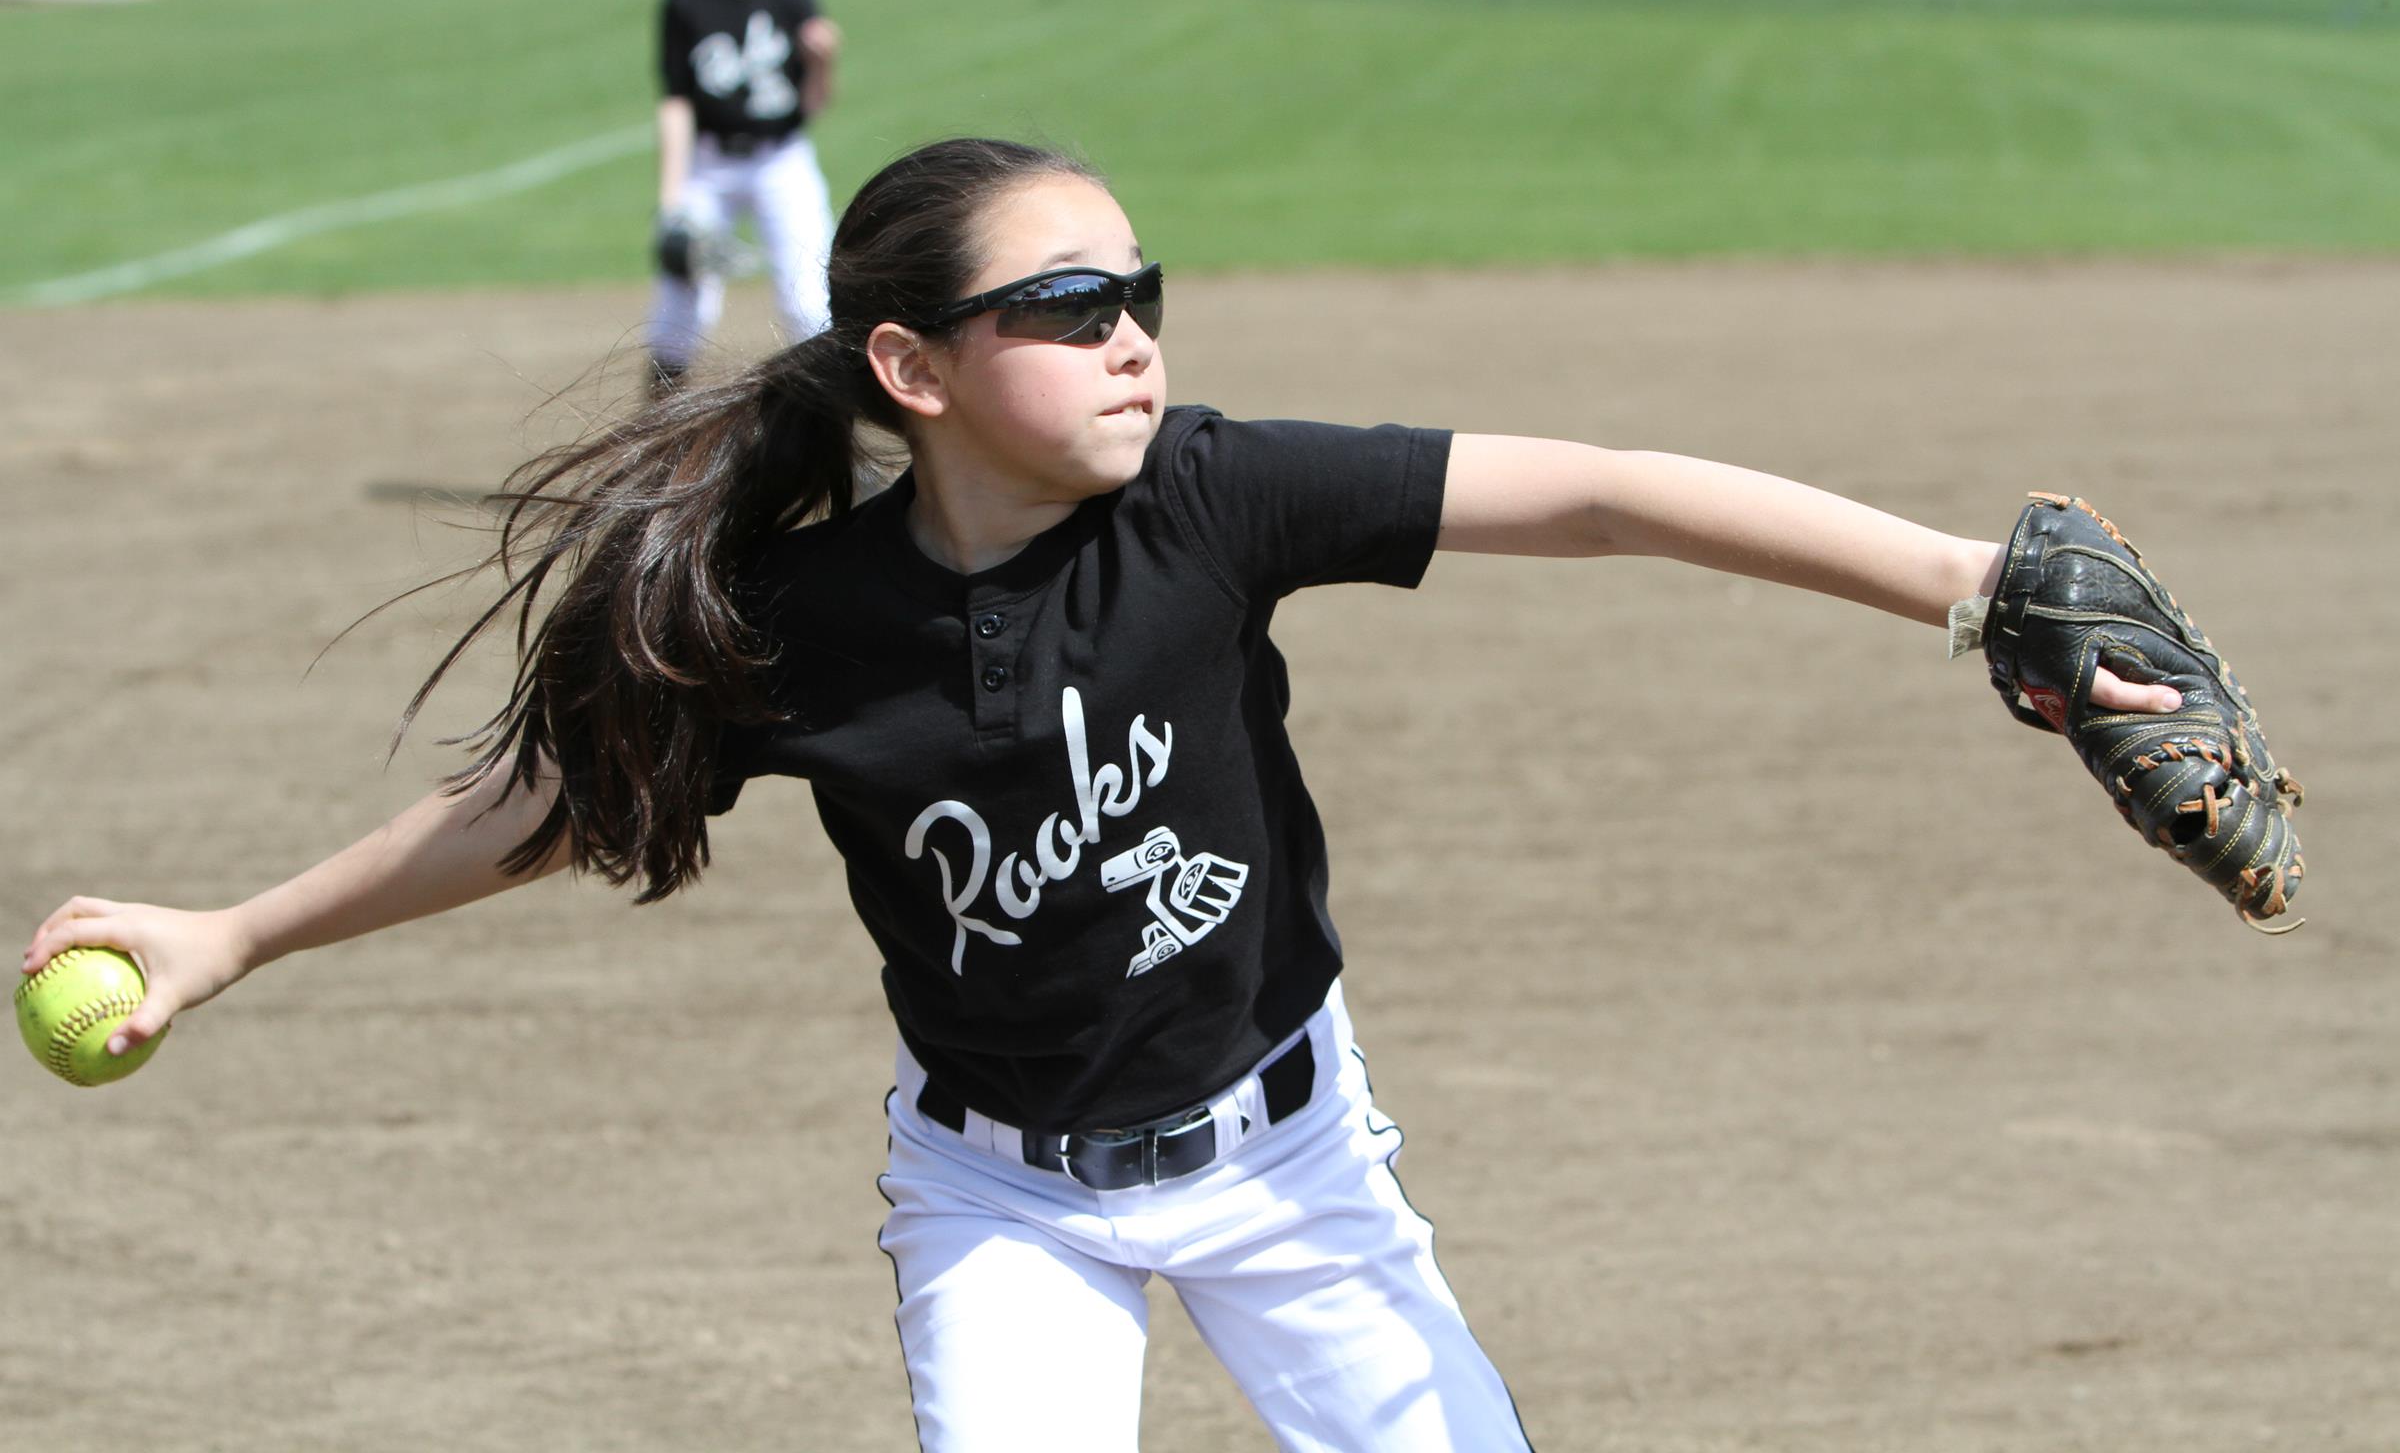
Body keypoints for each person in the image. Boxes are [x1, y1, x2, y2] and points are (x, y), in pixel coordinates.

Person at [23, 137, 2189, 1450]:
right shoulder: (808, 623)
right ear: (913, 369)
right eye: (1068, 305)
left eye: (1140, 292)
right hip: (1009, 1205)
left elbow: (1604, 491)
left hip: (1292, 1160)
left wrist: (1968, 583)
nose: (1133, 333)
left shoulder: (1209, 500)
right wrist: (231, 934)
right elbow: (550, 802)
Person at [647, 0, 842, 395]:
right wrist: (671, 205)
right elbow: (676, 103)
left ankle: (834, 433)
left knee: (810, 305)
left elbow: (815, 104)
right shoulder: (685, 2)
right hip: (708, 166)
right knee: (678, 308)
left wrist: (824, 63)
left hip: (781, 161)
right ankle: (655, 435)